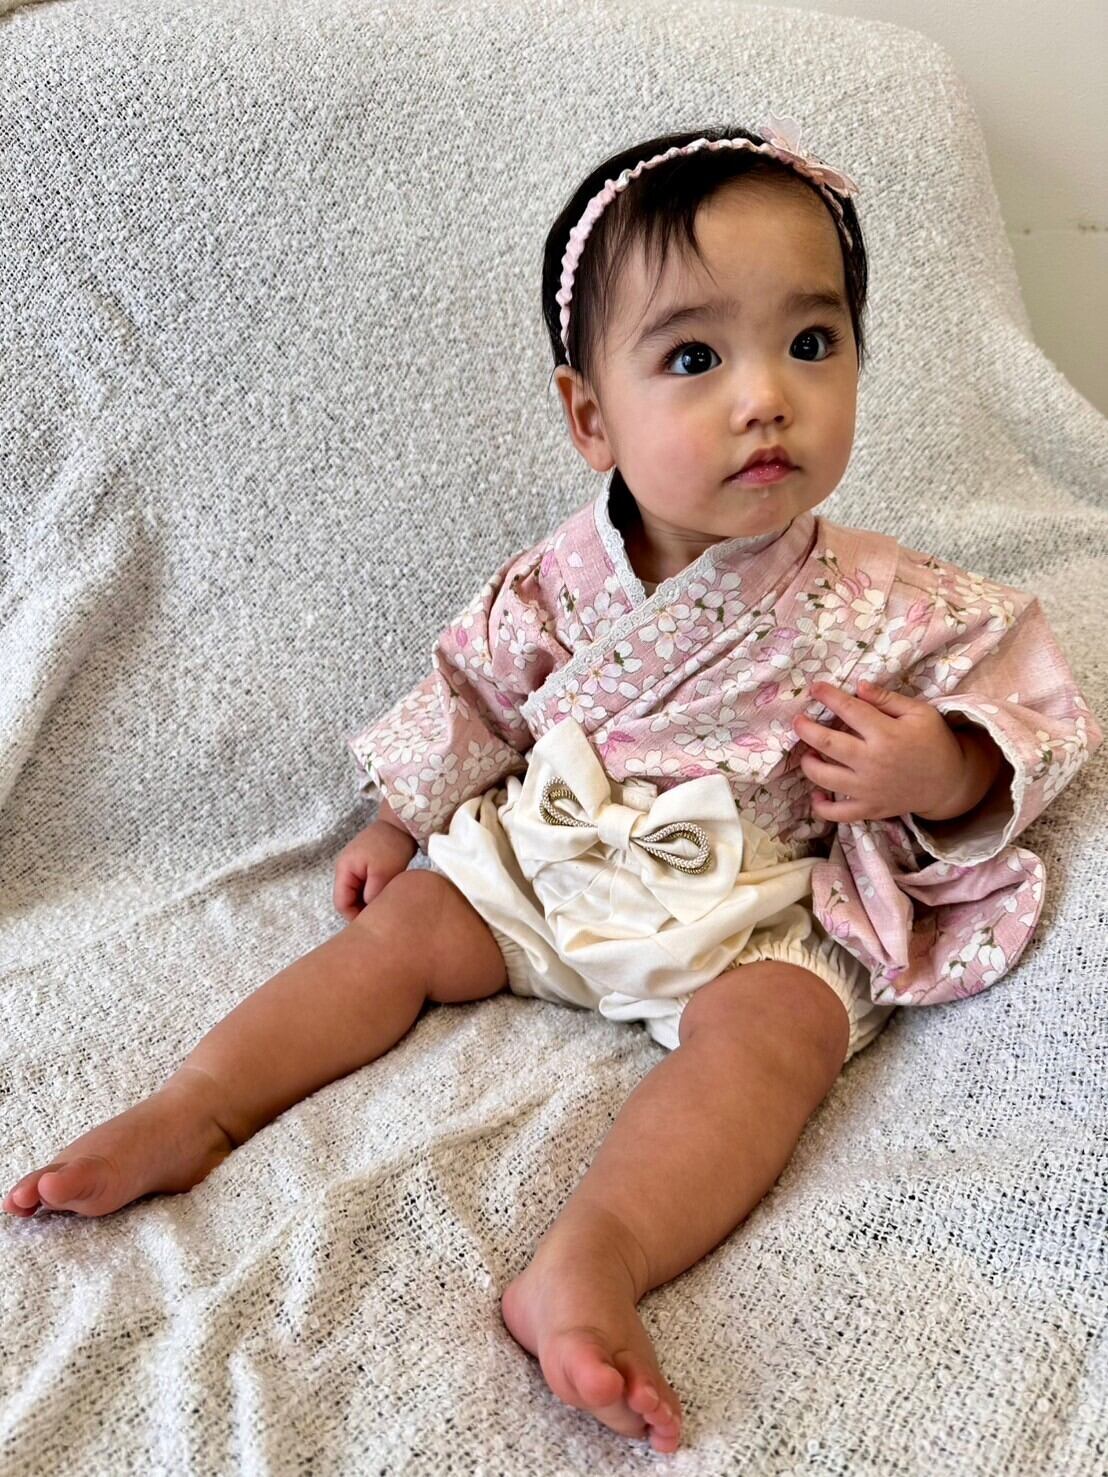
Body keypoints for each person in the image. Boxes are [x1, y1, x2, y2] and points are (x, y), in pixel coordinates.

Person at [4, 118, 1101, 1456]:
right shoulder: (558, 584)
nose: (766, 397)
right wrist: (406, 815)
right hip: (553, 856)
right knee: (406, 928)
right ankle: (198, 1105)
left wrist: (943, 763)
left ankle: (593, 1258)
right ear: (591, 416)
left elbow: (1030, 703)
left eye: (812, 343)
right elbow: (474, 693)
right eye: (693, 358)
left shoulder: (893, 599)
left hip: (744, 905)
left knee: (782, 1036)